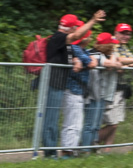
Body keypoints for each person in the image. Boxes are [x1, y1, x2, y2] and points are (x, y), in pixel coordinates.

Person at [42, 11, 105, 158]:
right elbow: (76, 37)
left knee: (55, 119)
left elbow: (68, 56)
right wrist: (93, 20)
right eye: (75, 26)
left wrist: (76, 61)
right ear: (70, 28)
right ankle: (49, 153)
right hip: (53, 82)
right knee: (51, 119)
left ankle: (52, 151)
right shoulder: (59, 37)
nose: (77, 30)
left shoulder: (64, 42)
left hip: (60, 84)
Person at [83, 33, 120, 152]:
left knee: (96, 124)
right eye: (111, 46)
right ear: (107, 46)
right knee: (90, 124)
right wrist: (114, 57)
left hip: (99, 95)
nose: (113, 48)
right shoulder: (95, 54)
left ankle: (92, 147)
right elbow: (111, 65)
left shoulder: (98, 54)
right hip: (92, 95)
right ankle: (85, 149)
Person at [61, 33, 97, 157]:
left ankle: (71, 149)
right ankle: (68, 151)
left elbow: (93, 61)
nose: (90, 38)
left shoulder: (84, 50)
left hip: (78, 91)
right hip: (73, 89)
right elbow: (91, 64)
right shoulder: (75, 48)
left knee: (76, 122)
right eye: (89, 36)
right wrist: (87, 61)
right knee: (73, 122)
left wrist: (88, 61)